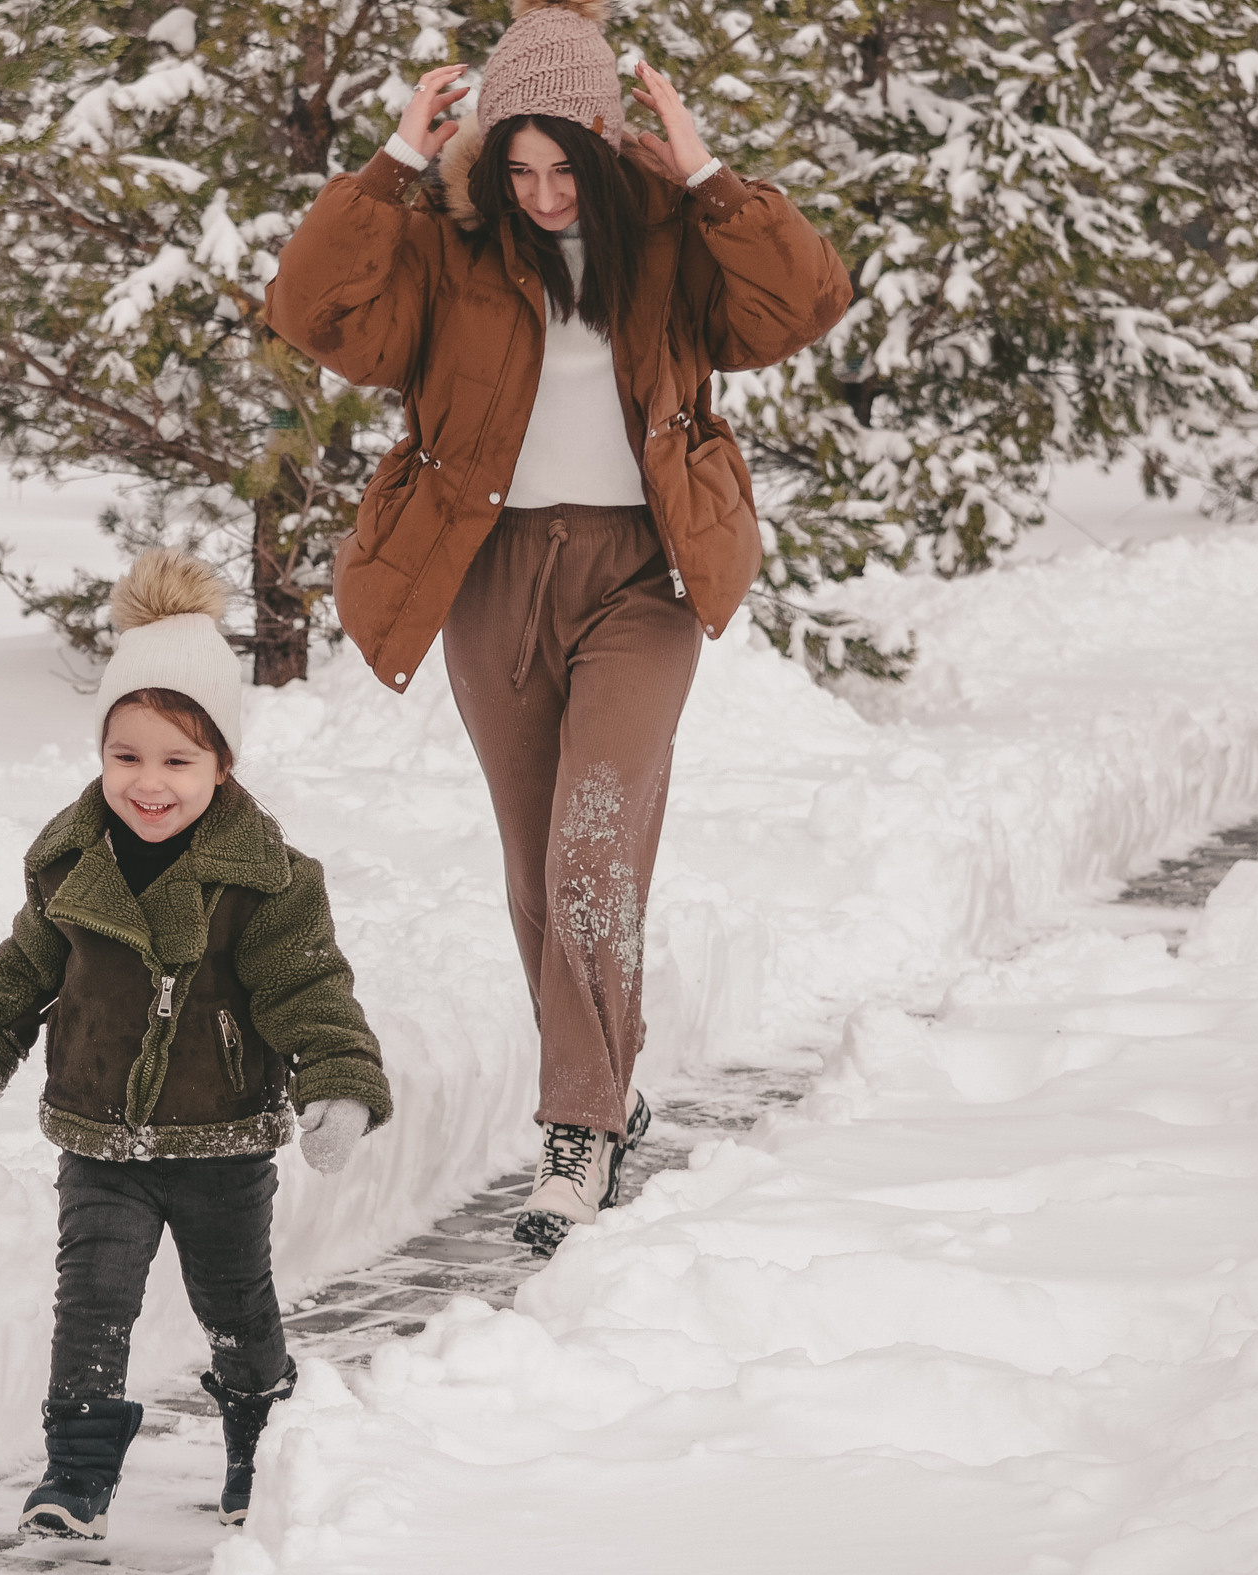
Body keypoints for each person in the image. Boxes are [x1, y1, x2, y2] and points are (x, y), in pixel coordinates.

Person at [264, 0, 847, 1257]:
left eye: (561, 165)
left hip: (643, 574)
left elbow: (802, 306)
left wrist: (704, 172)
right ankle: (608, 1094)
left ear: (604, 140)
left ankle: (576, 1129)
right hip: (489, 574)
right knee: (539, 864)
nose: (539, 192)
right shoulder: (449, 248)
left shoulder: (676, 247)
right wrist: (396, 166)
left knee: (592, 843)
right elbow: (312, 315)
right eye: (513, 166)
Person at [0, 548, 392, 1538]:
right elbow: (25, 965)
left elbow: (305, 982)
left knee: (237, 1314)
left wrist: (337, 1084)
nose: (148, 782)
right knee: (91, 1306)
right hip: (98, 1137)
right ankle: (76, 1477)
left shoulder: (268, 879)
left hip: (220, 1141)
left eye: (178, 760)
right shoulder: (70, 864)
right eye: (125, 756)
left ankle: (258, 1453)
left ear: (223, 763)